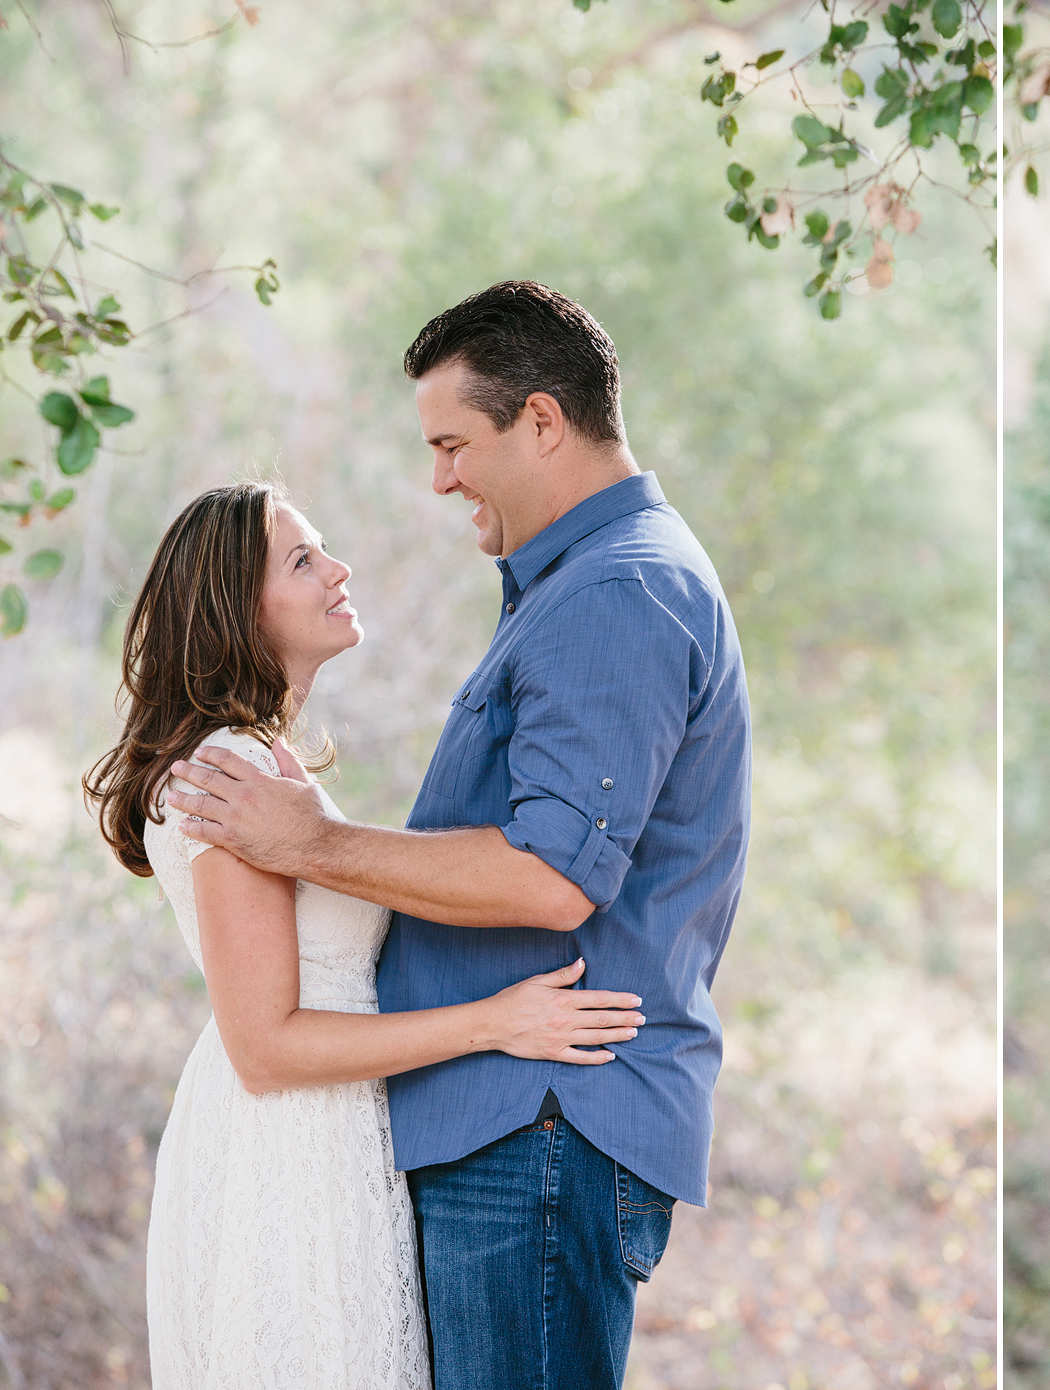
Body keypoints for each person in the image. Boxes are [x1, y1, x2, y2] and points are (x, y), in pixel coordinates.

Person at [162, 281, 753, 1388]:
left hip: (540, 1119)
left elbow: (548, 875)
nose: (438, 478)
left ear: (539, 419)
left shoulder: (616, 593)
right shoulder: (573, 586)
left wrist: (317, 846)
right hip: (499, 1118)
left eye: (451, 443)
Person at [84, 480, 646, 1389]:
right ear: (238, 604)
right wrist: (494, 1022)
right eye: (303, 560)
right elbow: (266, 1046)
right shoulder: (228, 769)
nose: (337, 570)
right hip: (284, 1149)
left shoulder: (263, 764)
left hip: (329, 1133)